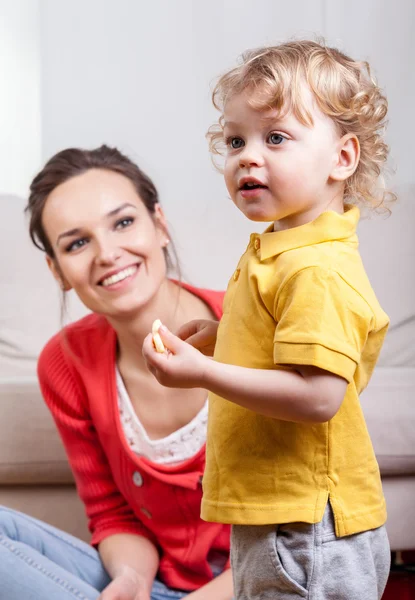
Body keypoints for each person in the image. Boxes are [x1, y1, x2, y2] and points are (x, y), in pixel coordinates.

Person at [142, 40, 394, 599]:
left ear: (342, 158)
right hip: (279, 514)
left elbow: (318, 396)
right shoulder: (279, 249)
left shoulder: (315, 267)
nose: (247, 156)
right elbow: (278, 344)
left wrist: (204, 374)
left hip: (308, 527)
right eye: (236, 140)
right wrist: (220, 339)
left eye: (275, 137)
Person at [0, 145, 232, 600]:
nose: (107, 253)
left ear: (159, 225)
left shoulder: (250, 324)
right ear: (59, 271)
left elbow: (297, 531)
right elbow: (113, 514)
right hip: (161, 588)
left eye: (123, 222)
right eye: (77, 243)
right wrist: (129, 580)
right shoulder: (65, 363)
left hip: (265, 584)